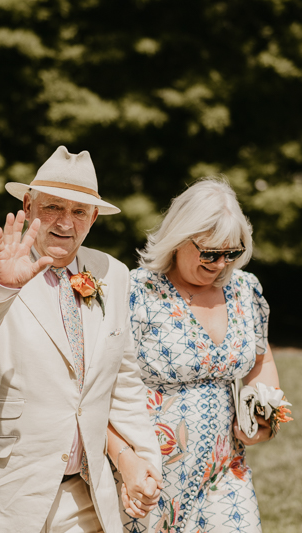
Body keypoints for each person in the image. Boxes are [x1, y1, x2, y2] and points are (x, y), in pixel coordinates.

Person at [0, 146, 163, 533]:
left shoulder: (112, 272)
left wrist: (141, 459)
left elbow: (122, 378)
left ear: (93, 218)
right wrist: (1, 287)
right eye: (54, 207)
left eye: (79, 211)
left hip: (84, 494)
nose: (65, 223)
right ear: (28, 204)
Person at [108, 178, 281, 532]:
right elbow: (98, 388)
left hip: (225, 470)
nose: (221, 264)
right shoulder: (136, 292)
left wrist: (266, 417)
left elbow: (261, 362)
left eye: (231, 253)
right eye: (210, 253)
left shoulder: (244, 289)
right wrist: (125, 460)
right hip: (150, 474)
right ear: (178, 238)